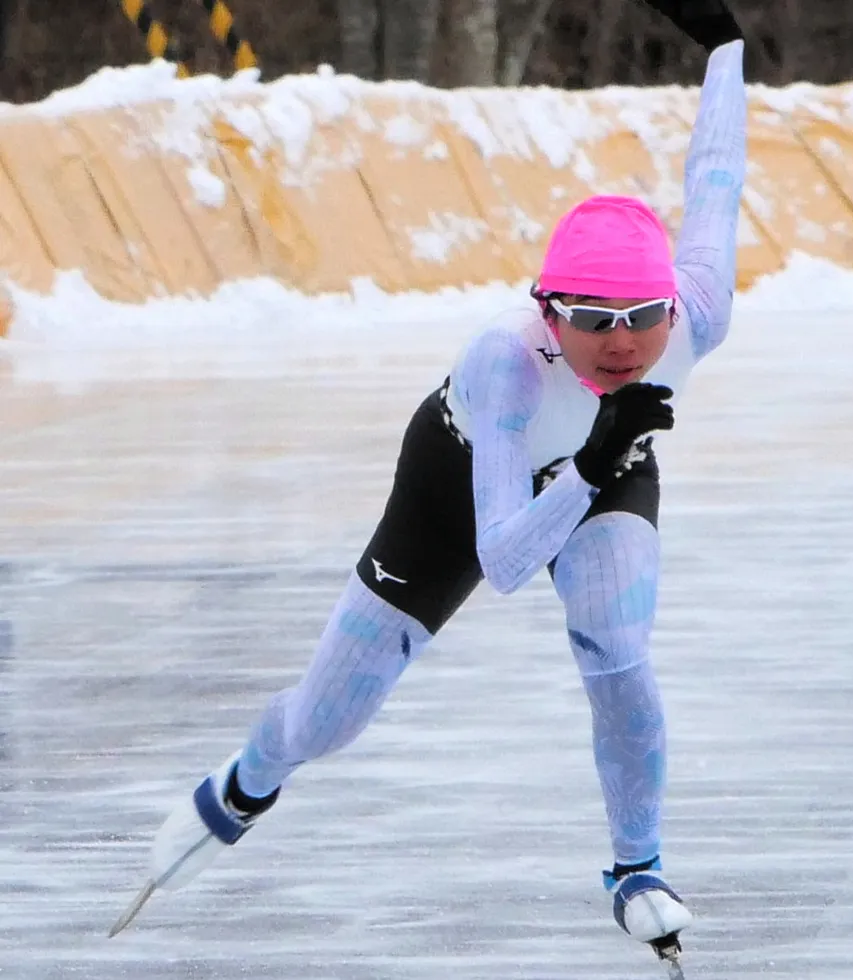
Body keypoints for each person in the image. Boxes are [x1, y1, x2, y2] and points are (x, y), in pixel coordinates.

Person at [114, 37, 747, 964]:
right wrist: (587, 462)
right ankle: (251, 779)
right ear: (548, 310)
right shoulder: (505, 363)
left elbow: (718, 176)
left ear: (671, 307)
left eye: (643, 318)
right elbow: (502, 563)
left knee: (618, 640)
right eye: (592, 320)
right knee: (327, 722)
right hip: (459, 489)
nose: (624, 344)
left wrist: (724, 42)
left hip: (607, 468)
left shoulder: (696, 308)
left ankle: (636, 868)